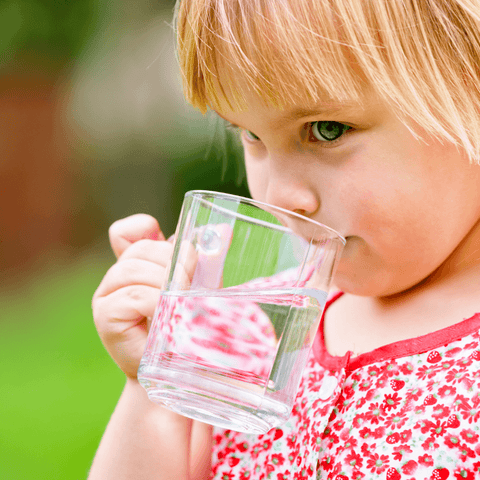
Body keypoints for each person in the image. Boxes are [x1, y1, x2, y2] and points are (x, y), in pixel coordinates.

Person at [89, 0, 480, 478]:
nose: (278, 195)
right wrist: (155, 391)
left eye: (326, 130)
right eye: (250, 134)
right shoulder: (248, 332)